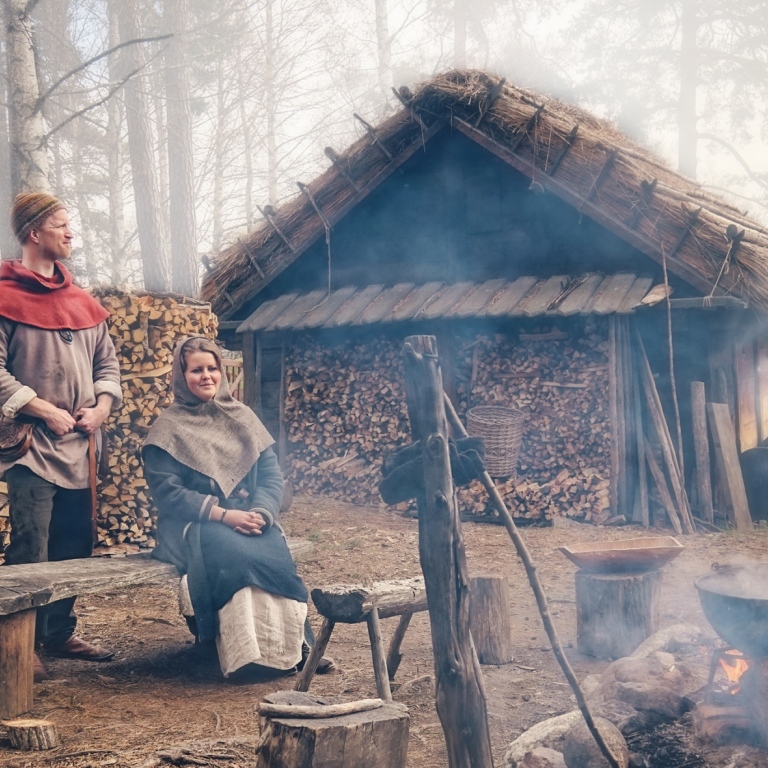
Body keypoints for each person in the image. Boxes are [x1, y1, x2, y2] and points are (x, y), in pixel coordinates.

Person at [143, 336, 331, 679]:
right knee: (233, 553)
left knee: (273, 545)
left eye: (212, 368)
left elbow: (272, 477)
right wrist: (224, 515)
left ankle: (297, 647)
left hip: (246, 516)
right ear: (180, 376)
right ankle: (245, 654)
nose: (206, 376)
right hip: (194, 524)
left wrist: (262, 512)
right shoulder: (167, 428)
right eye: (196, 370)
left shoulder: (242, 417)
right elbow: (169, 494)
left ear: (222, 372)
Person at [0, 192, 122, 679]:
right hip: (31, 445)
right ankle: (17, 642)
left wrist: (102, 407)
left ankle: (57, 632)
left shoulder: (82, 303)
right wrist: (42, 408)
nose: (71, 234)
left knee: (75, 542)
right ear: (34, 233)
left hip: (80, 445)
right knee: (31, 545)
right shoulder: (3, 297)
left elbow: (108, 364)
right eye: (61, 225)